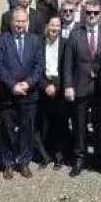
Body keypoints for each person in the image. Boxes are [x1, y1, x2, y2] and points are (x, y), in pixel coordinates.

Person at [63, 0, 101, 176]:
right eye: (89, 13)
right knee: (80, 125)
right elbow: (68, 63)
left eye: (96, 13)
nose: (92, 16)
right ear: (84, 13)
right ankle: (79, 159)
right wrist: (68, 86)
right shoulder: (75, 33)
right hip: (80, 86)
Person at [0, 8, 43, 179]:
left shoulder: (35, 40)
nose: (20, 24)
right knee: (7, 129)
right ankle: (8, 162)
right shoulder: (1, 40)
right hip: (7, 94)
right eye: (17, 21)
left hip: (29, 94)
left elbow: (39, 66)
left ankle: (24, 161)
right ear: (11, 22)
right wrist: (12, 85)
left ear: (27, 22)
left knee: (27, 129)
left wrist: (28, 83)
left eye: (23, 21)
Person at [37, 17, 70, 169]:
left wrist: (55, 86)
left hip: (59, 87)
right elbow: (36, 67)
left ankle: (59, 155)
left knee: (60, 123)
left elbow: (67, 68)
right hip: (43, 86)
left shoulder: (65, 43)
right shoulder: (39, 42)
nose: (54, 28)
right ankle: (46, 155)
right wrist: (45, 86)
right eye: (52, 25)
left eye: (57, 25)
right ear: (47, 26)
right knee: (44, 123)